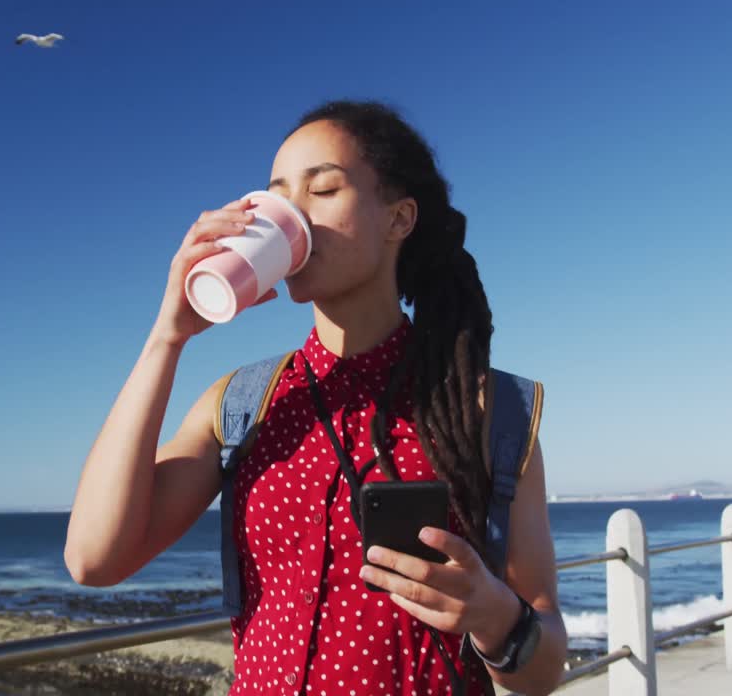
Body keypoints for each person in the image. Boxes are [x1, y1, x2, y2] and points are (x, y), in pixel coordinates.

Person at [65, 100, 566, 695]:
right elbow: (93, 559)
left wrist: (493, 617)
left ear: (399, 219)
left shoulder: (488, 409)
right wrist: (166, 337)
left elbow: (543, 670)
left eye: (322, 190)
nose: (290, 217)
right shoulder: (244, 402)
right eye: (275, 197)